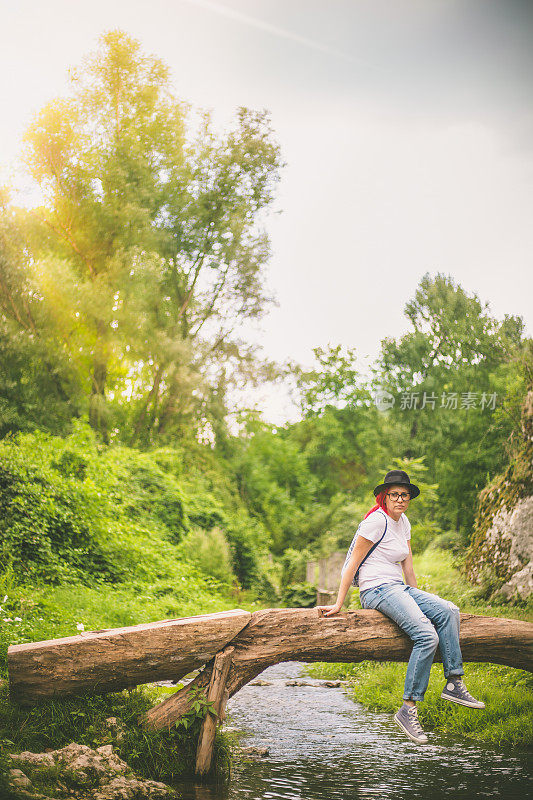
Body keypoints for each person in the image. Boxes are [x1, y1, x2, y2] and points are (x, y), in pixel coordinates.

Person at [317, 469, 485, 745]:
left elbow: (407, 564)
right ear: (385, 496)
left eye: (404, 495)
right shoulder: (375, 522)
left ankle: (454, 682)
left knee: (448, 611)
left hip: (398, 588)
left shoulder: (403, 521)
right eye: (394, 494)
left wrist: (419, 598)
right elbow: (351, 565)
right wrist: (339, 603)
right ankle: (408, 708)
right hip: (376, 589)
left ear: (409, 499)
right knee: (426, 636)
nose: (399, 499)